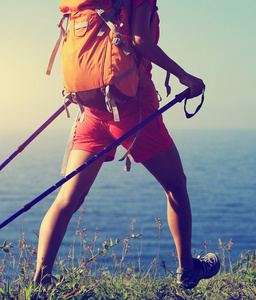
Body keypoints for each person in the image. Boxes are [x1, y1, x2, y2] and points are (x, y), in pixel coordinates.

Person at [33, 0, 220, 289]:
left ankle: (41, 281)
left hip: (92, 111)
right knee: (175, 184)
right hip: (132, 107)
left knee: (67, 199)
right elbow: (139, 40)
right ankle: (187, 269)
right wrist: (184, 75)